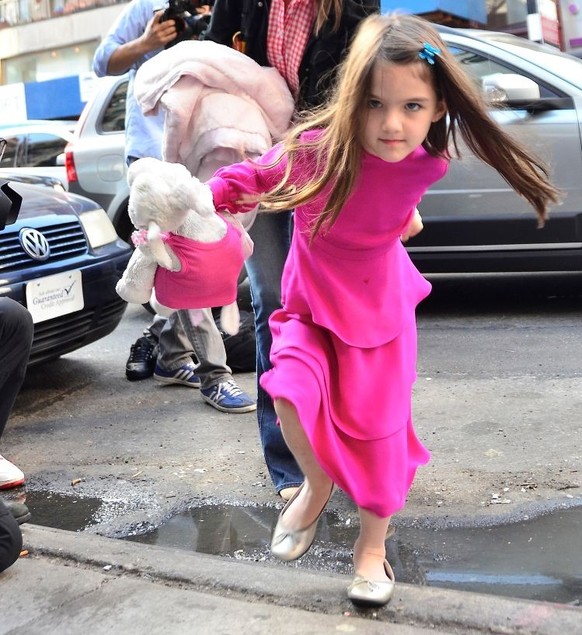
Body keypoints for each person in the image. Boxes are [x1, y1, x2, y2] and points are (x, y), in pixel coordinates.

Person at [203, 12, 560, 606]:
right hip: (312, 310)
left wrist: (402, 221)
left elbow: (395, 204)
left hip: (380, 320)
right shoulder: (317, 152)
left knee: (377, 441)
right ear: (350, 100)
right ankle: (315, 485)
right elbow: (252, 177)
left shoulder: (428, 162)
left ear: (440, 106)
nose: (392, 124)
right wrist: (192, 202)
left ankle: (372, 551)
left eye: (412, 106)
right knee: (287, 385)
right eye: (373, 105)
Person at [203, 0, 380, 498]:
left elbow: (366, 85)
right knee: (274, 306)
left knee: (336, 313)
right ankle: (290, 466)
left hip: (327, 171)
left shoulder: (353, 6)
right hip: (257, 166)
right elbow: (213, 64)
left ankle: (345, 448)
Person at [93, 0, 256, 413]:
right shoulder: (147, 9)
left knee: (212, 256)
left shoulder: (224, 7)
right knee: (190, 267)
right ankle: (215, 376)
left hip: (203, 146)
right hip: (154, 153)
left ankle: (169, 355)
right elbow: (102, 61)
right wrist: (147, 41)